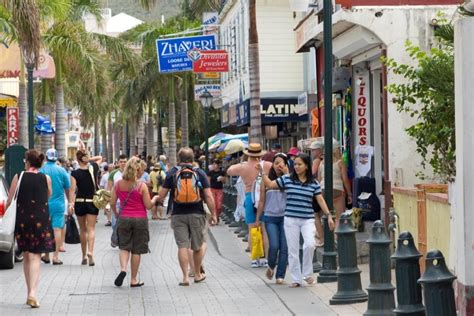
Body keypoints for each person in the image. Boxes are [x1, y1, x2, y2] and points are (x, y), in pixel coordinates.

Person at [257, 153, 335, 288]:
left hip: (307, 219)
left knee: (310, 245)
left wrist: (328, 215)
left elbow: (320, 199)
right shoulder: (287, 179)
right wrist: (262, 172)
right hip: (290, 219)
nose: (297, 167)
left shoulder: (313, 183)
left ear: (306, 166)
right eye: (295, 164)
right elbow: (269, 183)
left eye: (300, 164)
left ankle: (307, 274)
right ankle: (296, 279)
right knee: (292, 250)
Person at [157, 147, 217, 286]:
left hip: (178, 214)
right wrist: (213, 214)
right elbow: (208, 195)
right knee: (196, 246)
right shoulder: (199, 172)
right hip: (196, 212)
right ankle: (196, 274)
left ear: (179, 159)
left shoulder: (172, 173)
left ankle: (184, 277)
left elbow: (161, 195)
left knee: (182, 246)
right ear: (192, 159)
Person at [6, 150, 53, 308]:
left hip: (22, 220)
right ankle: (33, 293)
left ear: (27, 161)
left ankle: (29, 292)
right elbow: (47, 195)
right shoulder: (45, 178)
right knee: (36, 256)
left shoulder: (19, 177)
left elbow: (10, 199)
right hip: (40, 220)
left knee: (27, 254)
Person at [110, 157, 157, 287]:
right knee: (137, 250)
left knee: (124, 246)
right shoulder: (141, 186)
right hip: (140, 219)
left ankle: (123, 269)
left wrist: (116, 213)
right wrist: (156, 199)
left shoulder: (118, 184)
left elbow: (112, 202)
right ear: (137, 171)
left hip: (124, 218)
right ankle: (134, 279)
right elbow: (148, 205)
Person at [227, 143, 272, 267]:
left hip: (249, 198)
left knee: (252, 229)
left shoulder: (243, 167)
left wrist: (241, 163)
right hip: (263, 198)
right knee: (264, 229)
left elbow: (229, 171)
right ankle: (265, 258)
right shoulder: (267, 166)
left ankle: (254, 258)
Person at [255, 153, 289, 284]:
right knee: (274, 245)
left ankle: (280, 276)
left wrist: (287, 174)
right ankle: (271, 265)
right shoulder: (266, 180)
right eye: (276, 163)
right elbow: (262, 201)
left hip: (286, 218)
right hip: (270, 217)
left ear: (286, 165)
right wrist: (258, 218)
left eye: (281, 163)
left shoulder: (290, 180)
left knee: (284, 247)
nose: (278, 166)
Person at [39, 149, 71, 265]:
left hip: (44, 203)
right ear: (56, 158)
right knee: (57, 229)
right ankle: (56, 257)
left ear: (46, 158)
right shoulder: (62, 171)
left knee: (46, 230)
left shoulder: (41, 170)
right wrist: (70, 202)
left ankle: (46, 255)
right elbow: (68, 189)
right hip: (59, 204)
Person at [69, 150, 100, 266]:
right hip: (92, 202)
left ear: (77, 160)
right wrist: (89, 159)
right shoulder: (94, 169)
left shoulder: (75, 173)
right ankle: (90, 252)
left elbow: (72, 190)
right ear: (86, 158)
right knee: (91, 229)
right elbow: (100, 157)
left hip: (80, 202)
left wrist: (70, 204)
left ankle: (83, 256)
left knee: (83, 230)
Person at [318, 140, 352, 231]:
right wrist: (349, 194)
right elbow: (345, 180)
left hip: (323, 190)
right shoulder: (340, 163)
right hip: (337, 190)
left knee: (325, 215)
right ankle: (336, 238)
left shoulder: (321, 163)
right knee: (339, 217)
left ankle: (324, 237)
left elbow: (319, 180)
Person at [310, 139, 325, 246]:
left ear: (319, 150)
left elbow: (312, 173)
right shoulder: (325, 159)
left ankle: (321, 238)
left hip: (318, 188)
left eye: (314, 150)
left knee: (315, 215)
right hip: (323, 187)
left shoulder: (317, 160)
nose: (312, 152)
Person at [207, 159, 225, 224]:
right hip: (212, 189)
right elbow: (208, 181)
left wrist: (222, 179)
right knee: (213, 204)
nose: (214, 165)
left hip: (219, 189)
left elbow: (224, 181)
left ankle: (217, 216)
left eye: (215, 164)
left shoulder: (222, 172)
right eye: (213, 164)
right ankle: (215, 218)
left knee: (219, 205)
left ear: (218, 165)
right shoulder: (210, 173)